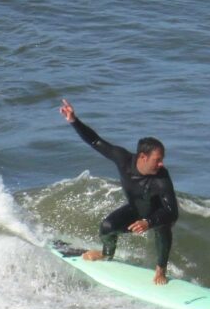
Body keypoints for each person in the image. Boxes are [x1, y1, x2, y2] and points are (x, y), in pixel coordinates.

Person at [59, 98, 178, 285]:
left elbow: (172, 212)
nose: (161, 164)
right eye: (158, 159)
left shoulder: (161, 178)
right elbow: (96, 141)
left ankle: (160, 269)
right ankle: (107, 254)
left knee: (163, 228)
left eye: (162, 159)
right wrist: (74, 120)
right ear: (142, 157)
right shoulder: (123, 159)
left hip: (157, 215)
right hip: (135, 209)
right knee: (106, 227)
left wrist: (149, 222)